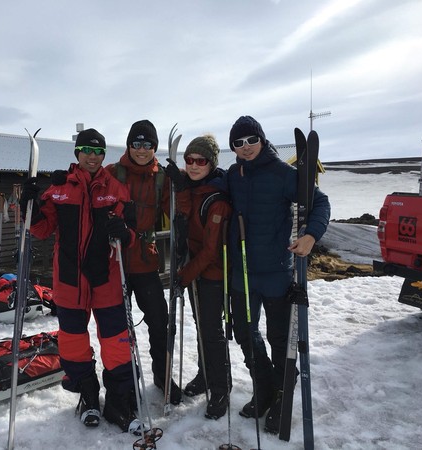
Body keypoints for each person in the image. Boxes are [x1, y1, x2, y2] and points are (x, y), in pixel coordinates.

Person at [19, 128, 139, 433]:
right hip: (70, 281)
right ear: (77, 152)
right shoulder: (60, 189)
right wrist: (28, 205)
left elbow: (130, 233)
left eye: (98, 152)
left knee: (116, 345)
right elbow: (43, 229)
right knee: (73, 345)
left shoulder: (116, 189)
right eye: (86, 150)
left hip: (107, 279)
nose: (93, 156)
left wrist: (125, 234)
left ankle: (119, 400)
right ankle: (87, 395)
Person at [224, 116, 330, 434]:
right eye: (238, 143)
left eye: (251, 141)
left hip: (275, 273)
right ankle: (266, 387)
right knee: (244, 332)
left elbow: (319, 202)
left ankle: (283, 396)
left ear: (262, 139)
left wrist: (311, 235)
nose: (245, 148)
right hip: (242, 274)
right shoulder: (232, 175)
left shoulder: (283, 173)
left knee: (280, 339)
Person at [105, 119, 183, 405]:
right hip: (117, 264)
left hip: (147, 262)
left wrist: (183, 186)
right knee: (118, 328)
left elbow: (178, 208)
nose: (141, 149)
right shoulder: (112, 173)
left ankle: (162, 376)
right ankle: (125, 381)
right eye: (136, 143)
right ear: (128, 145)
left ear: (154, 147)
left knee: (159, 323)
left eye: (147, 144)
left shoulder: (162, 178)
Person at [165, 134, 232, 419]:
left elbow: (210, 250)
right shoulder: (194, 188)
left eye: (200, 161)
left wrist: (183, 275)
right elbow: (185, 213)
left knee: (211, 331)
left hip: (213, 273)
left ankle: (221, 388)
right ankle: (206, 375)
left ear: (211, 163)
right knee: (202, 325)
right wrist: (180, 186)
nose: (193, 165)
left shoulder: (217, 199)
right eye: (189, 160)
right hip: (196, 270)